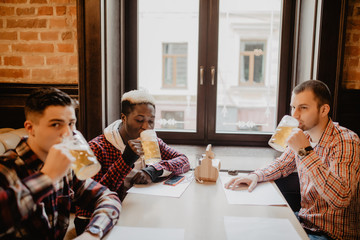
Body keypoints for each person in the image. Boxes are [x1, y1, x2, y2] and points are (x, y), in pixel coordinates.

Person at [225, 80, 360, 240]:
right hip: (304, 222)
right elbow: (282, 165)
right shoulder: (304, 135)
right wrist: (255, 176)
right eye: (293, 107)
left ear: (323, 110)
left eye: (303, 108)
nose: (295, 115)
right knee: (248, 229)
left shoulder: (346, 141)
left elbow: (341, 199)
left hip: (332, 234)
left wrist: (305, 151)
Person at [0, 87, 121, 240]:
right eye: (56, 124)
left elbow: (107, 197)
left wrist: (92, 233)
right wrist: (48, 177)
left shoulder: (66, 165)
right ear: (30, 128)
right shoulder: (6, 168)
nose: (67, 133)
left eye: (71, 123)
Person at [75, 89, 190, 234]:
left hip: (137, 210)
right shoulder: (97, 147)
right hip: (95, 220)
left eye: (151, 121)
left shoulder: (151, 141)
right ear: (124, 118)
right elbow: (91, 200)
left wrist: (154, 170)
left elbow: (184, 161)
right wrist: (125, 160)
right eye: (139, 120)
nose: (146, 127)